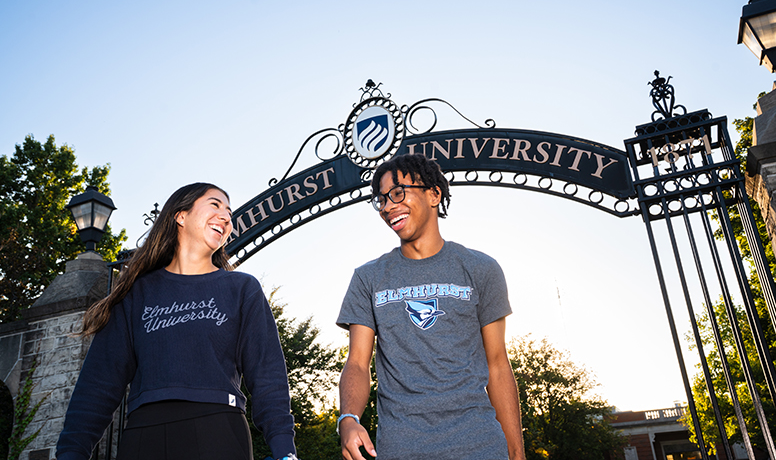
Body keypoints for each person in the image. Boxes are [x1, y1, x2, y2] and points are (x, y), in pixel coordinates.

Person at [56, 182, 297, 460]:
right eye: (215, 205)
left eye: (229, 213)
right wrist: (71, 452)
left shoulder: (242, 289)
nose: (226, 217)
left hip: (218, 433)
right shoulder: (137, 292)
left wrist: (284, 451)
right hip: (143, 436)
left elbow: (268, 375)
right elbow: (98, 382)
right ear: (181, 216)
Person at [337, 154, 525, 460]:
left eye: (398, 193)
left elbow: (498, 365)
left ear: (434, 194)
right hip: (402, 448)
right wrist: (348, 419)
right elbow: (357, 363)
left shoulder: (481, 269)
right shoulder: (367, 278)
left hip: (480, 446)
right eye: (381, 200)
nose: (387, 206)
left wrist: (517, 454)